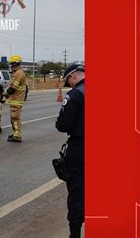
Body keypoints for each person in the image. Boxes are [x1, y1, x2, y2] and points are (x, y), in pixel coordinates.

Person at [56, 64, 85, 238]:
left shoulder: (75, 94)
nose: (70, 85)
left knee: (77, 191)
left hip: (81, 149)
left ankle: (75, 234)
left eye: (69, 81)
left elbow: (62, 125)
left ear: (73, 76)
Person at [4, 55, 27, 142]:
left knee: (15, 117)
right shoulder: (17, 73)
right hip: (15, 99)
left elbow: (13, 87)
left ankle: (17, 135)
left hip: (17, 99)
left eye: (12, 64)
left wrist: (6, 93)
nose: (11, 66)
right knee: (13, 118)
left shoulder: (18, 73)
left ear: (15, 64)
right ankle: (15, 133)